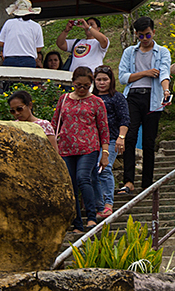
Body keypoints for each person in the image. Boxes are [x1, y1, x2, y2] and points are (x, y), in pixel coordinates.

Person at [51, 66, 109, 233]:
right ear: (73, 83)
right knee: (70, 184)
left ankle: (91, 217)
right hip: (66, 148)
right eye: (78, 85)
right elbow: (55, 123)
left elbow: (104, 129)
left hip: (88, 147)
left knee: (83, 178)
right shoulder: (64, 99)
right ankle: (77, 223)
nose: (82, 89)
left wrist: (105, 153)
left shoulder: (96, 102)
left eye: (86, 86)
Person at [118, 16, 172, 193]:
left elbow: (164, 72)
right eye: (141, 36)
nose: (145, 39)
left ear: (153, 32)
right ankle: (128, 180)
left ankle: (147, 182)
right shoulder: (129, 52)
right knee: (130, 137)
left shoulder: (162, 51)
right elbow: (123, 77)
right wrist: (145, 73)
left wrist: (166, 90)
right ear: (136, 35)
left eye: (147, 35)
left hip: (153, 97)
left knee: (149, 141)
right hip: (133, 96)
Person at [91, 65, 129, 219]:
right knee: (93, 170)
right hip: (93, 141)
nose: (101, 82)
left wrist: (121, 137)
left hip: (112, 138)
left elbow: (125, 118)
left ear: (110, 80)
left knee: (104, 168)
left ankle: (108, 203)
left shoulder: (117, 97)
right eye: (98, 79)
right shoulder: (91, 98)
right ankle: (97, 204)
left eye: (105, 79)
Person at [8, 89, 58, 154]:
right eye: (13, 111)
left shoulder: (44, 125)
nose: (16, 113)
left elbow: (54, 152)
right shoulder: (13, 126)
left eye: (19, 109)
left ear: (30, 105)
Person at [0, 0, 43, 68]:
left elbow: (1, 43)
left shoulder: (9, 23)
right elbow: (39, 48)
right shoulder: (36, 26)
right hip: (29, 60)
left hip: (10, 59)